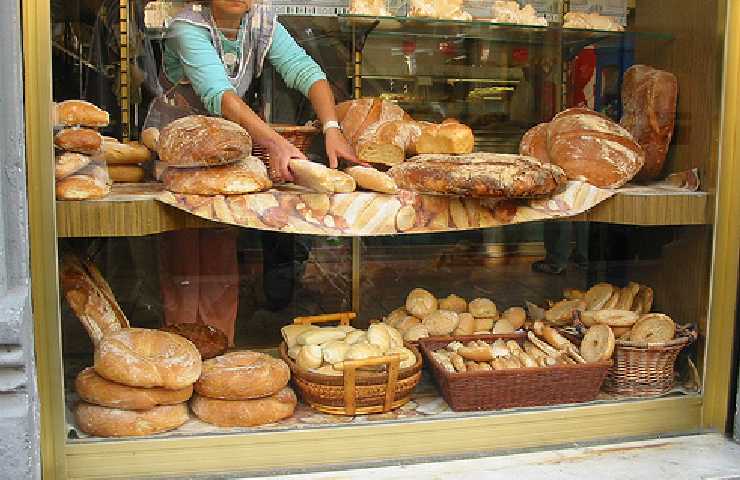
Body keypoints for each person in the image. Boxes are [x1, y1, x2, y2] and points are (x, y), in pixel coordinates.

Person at [150, 0, 358, 344]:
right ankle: (182, 353)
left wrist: (332, 126)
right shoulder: (187, 27)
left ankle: (219, 349)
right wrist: (276, 144)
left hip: (225, 151)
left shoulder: (260, 22)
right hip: (180, 152)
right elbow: (221, 95)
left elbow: (307, 72)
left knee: (219, 253)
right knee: (183, 260)